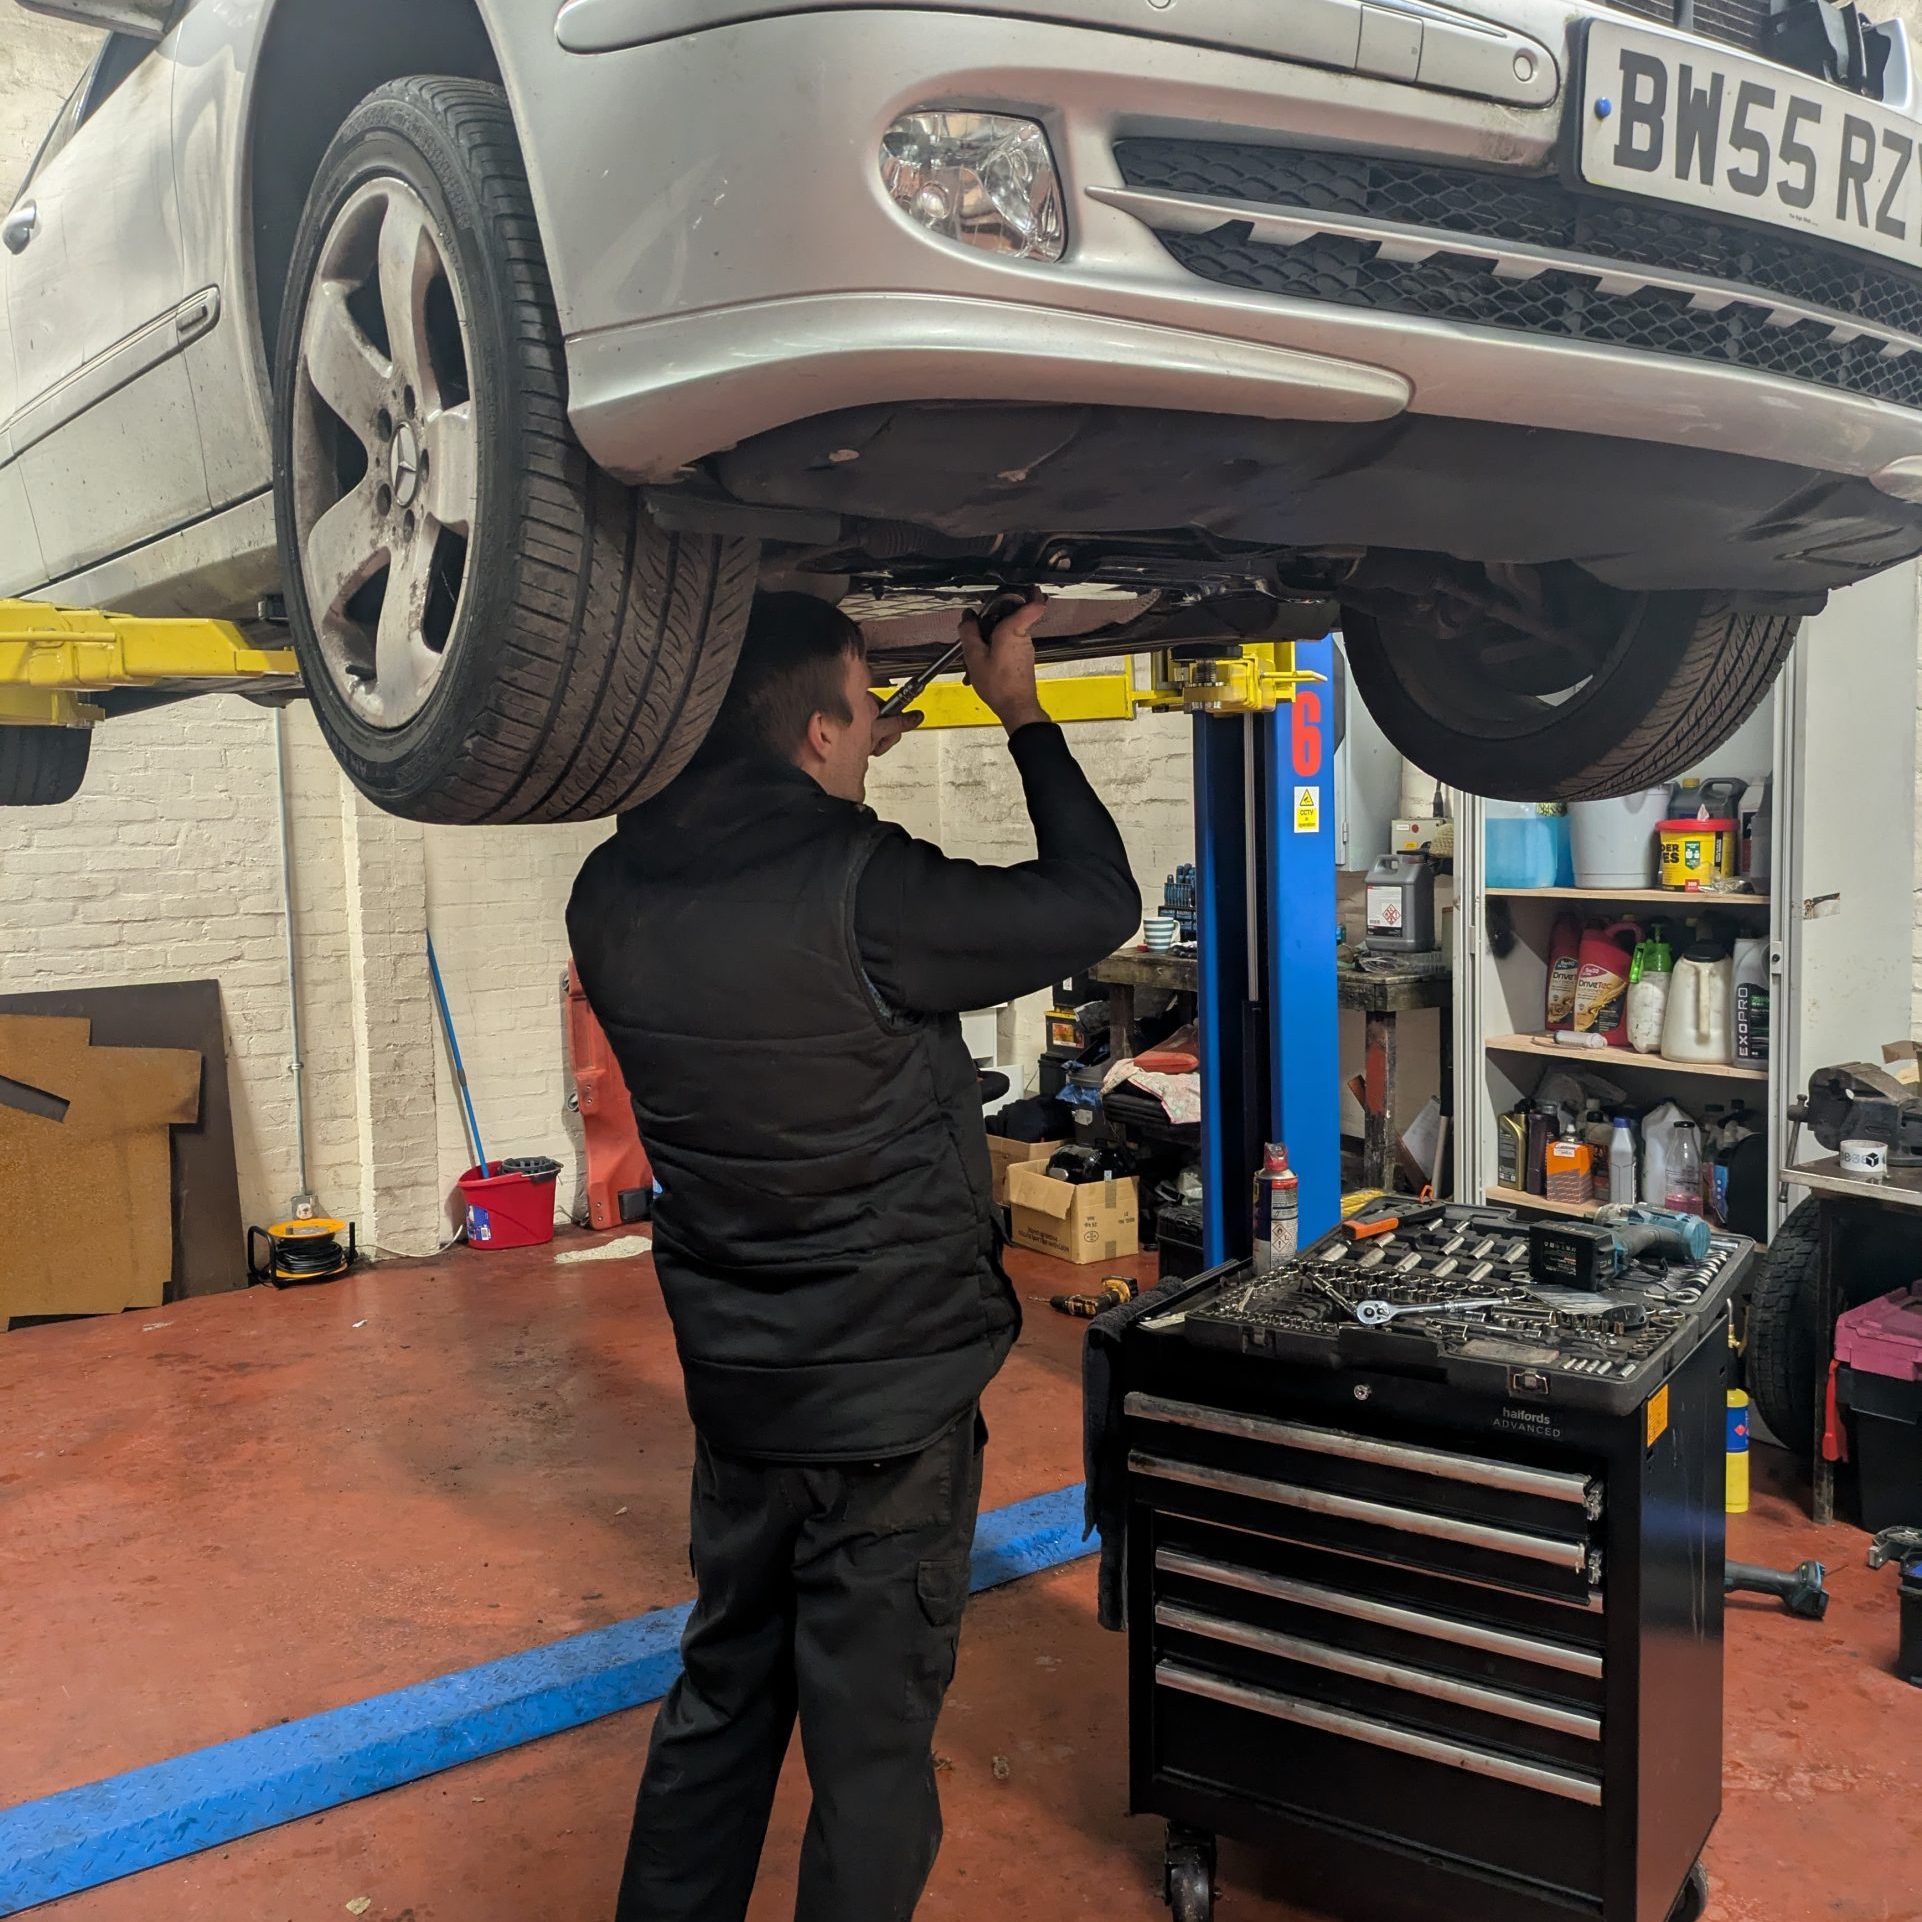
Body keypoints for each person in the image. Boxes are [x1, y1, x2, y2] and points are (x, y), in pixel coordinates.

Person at [567, 589, 1139, 1922]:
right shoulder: (864, 889)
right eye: (861, 711)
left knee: (722, 1696)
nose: (874, 734)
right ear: (822, 730)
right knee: (869, 1754)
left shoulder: (608, 894)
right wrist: (1019, 710)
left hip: (741, 1396)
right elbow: (1092, 899)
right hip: (887, 1412)